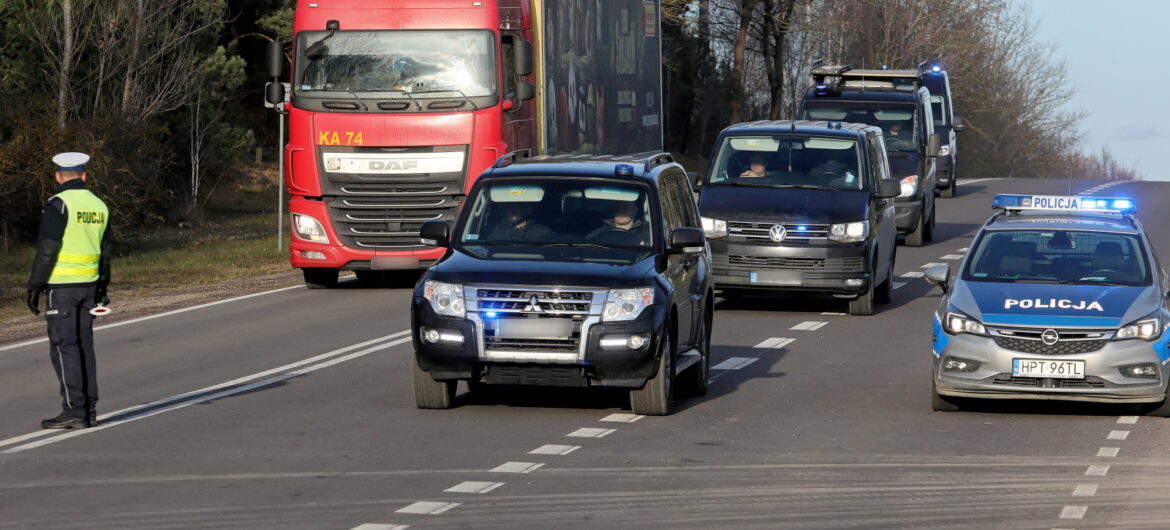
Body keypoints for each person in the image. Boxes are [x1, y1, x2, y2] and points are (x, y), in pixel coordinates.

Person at [26, 152, 111, 430]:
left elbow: (48, 249)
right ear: (84, 175)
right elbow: (105, 253)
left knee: (64, 348)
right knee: (85, 347)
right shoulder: (99, 205)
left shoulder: (58, 204)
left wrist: (35, 285)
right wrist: (102, 287)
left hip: (62, 287)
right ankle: (89, 408)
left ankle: (74, 410)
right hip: (89, 285)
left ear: (58, 176)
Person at [486, 202, 552, 241]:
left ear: (528, 210)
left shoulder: (541, 231)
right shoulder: (498, 229)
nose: (513, 210)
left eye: (519, 207)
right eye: (510, 206)